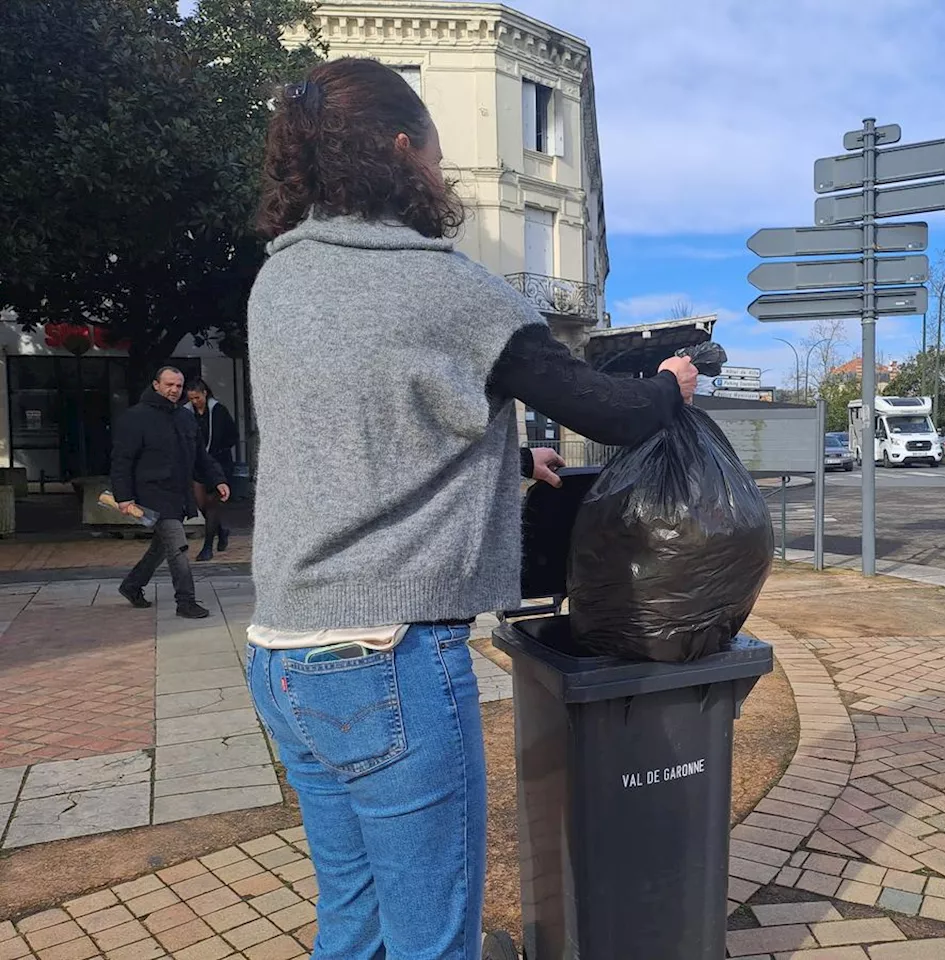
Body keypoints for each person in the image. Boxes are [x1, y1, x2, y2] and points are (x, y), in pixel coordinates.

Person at [245, 58, 698, 960]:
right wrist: (672, 385)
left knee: (355, 926)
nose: (444, 179)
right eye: (439, 158)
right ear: (403, 152)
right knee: (432, 941)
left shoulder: (279, 283)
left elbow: (370, 426)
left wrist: (503, 452)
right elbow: (605, 410)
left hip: (284, 657)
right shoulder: (445, 288)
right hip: (388, 658)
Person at [111, 366, 231, 618]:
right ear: (156, 385)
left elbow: (200, 455)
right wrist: (123, 497)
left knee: (161, 547)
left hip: (178, 493)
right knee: (178, 545)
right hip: (151, 494)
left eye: (179, 386)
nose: (174, 390)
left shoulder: (185, 418)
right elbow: (122, 460)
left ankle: (132, 586)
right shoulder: (135, 418)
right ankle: (185, 601)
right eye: (169, 384)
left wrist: (218, 479)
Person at [185, 378, 239, 560]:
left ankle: (207, 547)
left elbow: (233, 435)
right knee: (201, 504)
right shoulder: (186, 413)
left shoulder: (218, 411)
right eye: (191, 398)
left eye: (197, 397)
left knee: (212, 504)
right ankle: (221, 531)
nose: (195, 402)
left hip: (218, 463)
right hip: (197, 465)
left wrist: (218, 450)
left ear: (205, 393)